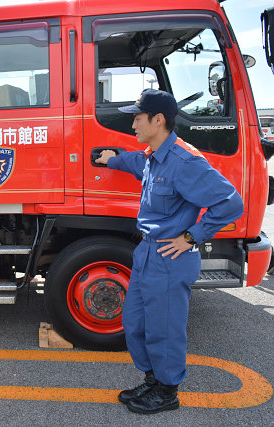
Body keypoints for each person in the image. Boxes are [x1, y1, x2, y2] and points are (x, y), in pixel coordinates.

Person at [95, 89, 243, 414]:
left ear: (158, 120)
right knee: (135, 324)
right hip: (147, 254)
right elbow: (136, 163)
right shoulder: (152, 154)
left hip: (170, 258)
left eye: (137, 117)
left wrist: (192, 236)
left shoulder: (184, 161)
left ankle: (167, 392)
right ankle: (153, 379)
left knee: (164, 330)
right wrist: (112, 159)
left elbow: (231, 202)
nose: (132, 123)